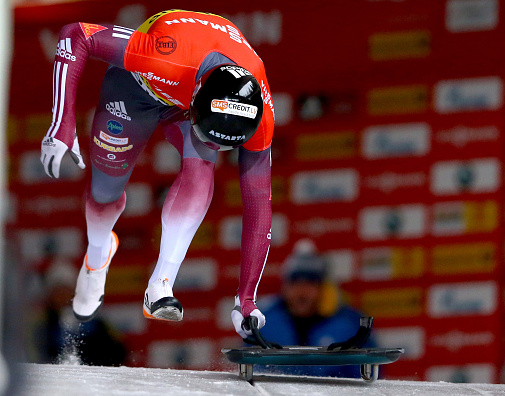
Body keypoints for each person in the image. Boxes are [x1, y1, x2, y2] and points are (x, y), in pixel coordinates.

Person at [40, 10, 274, 339]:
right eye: (209, 135)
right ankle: (97, 256)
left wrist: (245, 300)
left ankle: (160, 285)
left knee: (201, 172)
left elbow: (259, 204)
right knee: (105, 193)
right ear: (195, 100)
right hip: (137, 87)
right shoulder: (162, 54)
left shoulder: (260, 112)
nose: (213, 145)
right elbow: (76, 34)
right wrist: (62, 124)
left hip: (189, 96)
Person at [258, 239, 376, 378]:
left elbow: (366, 378)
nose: (302, 291)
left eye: (310, 282)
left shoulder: (350, 325)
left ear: (324, 288)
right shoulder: (264, 323)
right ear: (285, 287)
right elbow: (251, 374)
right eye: (295, 282)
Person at [32, 260, 127, 366]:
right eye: (57, 291)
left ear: (74, 291)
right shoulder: (40, 323)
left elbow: (118, 353)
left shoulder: (94, 319)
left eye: (66, 290)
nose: (62, 296)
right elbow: (32, 355)